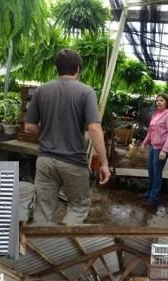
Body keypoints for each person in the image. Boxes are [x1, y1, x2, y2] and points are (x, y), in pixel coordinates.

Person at [24, 49, 110, 225]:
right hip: (73, 162)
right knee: (78, 206)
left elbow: (29, 127)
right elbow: (94, 128)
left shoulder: (41, 91)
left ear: (57, 68)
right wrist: (104, 163)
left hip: (45, 160)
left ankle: (41, 249)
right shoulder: (86, 92)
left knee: (43, 208)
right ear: (78, 69)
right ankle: (65, 248)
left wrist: (47, 134)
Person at [140, 93, 168, 208]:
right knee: (150, 169)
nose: (158, 102)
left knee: (157, 172)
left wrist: (165, 150)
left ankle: (154, 198)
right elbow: (150, 131)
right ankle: (149, 192)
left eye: (161, 100)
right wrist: (144, 143)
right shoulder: (156, 114)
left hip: (163, 147)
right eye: (157, 101)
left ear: (167, 102)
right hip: (154, 146)